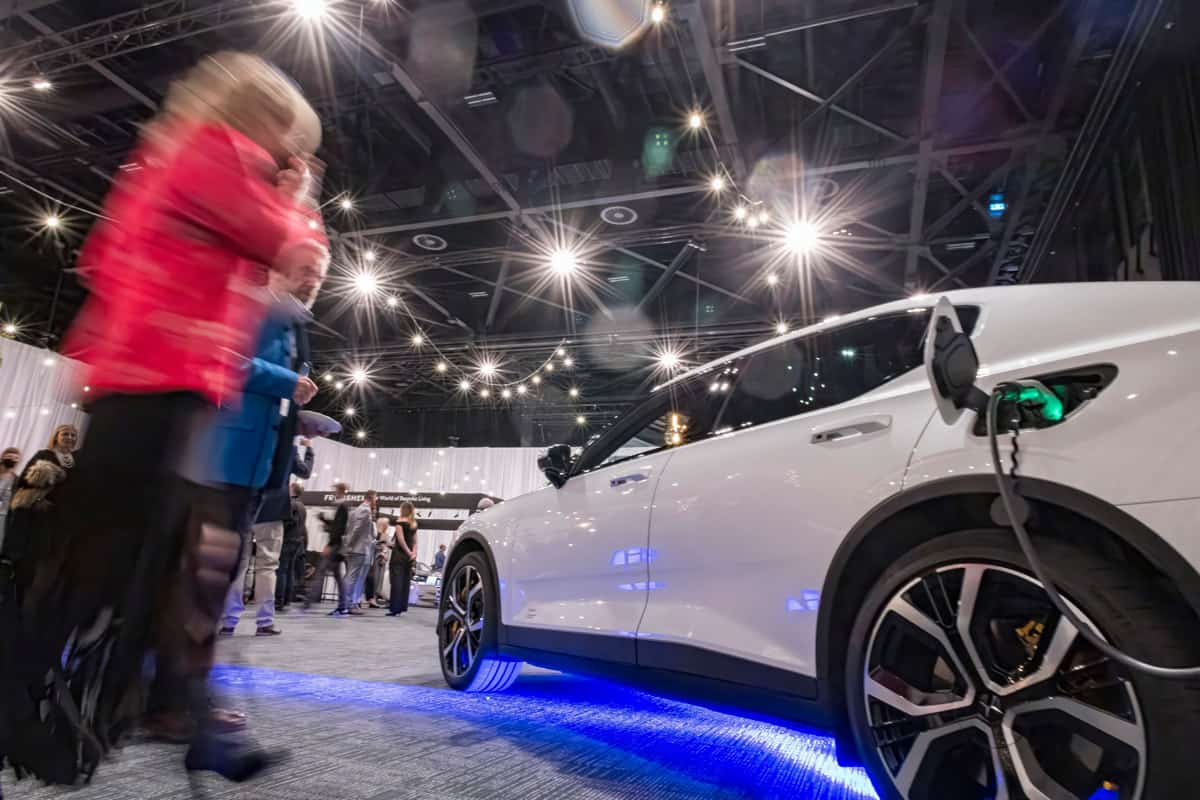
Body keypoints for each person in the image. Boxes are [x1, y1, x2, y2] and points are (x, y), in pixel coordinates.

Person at [0, 51, 327, 788]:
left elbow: (110, 262)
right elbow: (286, 244)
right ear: (260, 119)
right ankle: (50, 706)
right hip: (155, 385)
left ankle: (179, 709)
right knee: (127, 568)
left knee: (157, 563)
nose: (287, 153)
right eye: (286, 137)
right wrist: (296, 198)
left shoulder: (174, 160)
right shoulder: (216, 154)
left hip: (153, 385)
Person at [0, 425, 77, 588]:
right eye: (65, 434)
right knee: (26, 555)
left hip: (60, 516)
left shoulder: (76, 461)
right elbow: (24, 483)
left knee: (45, 560)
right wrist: (37, 500)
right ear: (56, 436)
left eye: (73, 435)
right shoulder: (44, 455)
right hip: (35, 512)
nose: (70, 437)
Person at [306, 482, 350, 610]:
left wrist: (330, 545)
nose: (334, 492)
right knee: (337, 576)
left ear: (340, 490)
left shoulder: (342, 506)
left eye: (335, 490)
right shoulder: (341, 506)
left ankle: (308, 603)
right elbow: (337, 526)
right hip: (336, 545)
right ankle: (343, 605)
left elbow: (339, 528)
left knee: (320, 571)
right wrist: (323, 519)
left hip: (335, 545)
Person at [340, 491, 376, 616]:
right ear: (371, 498)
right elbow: (356, 530)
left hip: (355, 548)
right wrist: (349, 545)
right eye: (376, 498)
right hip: (357, 549)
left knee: (350, 577)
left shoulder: (356, 510)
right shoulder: (365, 510)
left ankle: (346, 603)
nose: (376, 501)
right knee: (352, 577)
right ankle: (347, 604)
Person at [276, 481, 308, 612]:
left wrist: (279, 526)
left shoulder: (291, 504)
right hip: (297, 541)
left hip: (288, 539)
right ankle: (287, 598)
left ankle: (279, 600)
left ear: (293, 489)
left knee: (282, 570)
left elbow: (289, 521)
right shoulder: (302, 506)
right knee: (289, 570)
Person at [388, 502, 418, 617]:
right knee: (405, 581)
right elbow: (415, 542)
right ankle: (401, 607)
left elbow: (400, 540)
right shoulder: (414, 523)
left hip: (399, 554)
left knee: (397, 581)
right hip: (409, 557)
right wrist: (413, 553)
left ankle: (394, 608)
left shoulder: (399, 522)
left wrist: (407, 551)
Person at [0, 447, 20, 553]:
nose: (12, 459)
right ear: (2, 457)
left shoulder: (17, 480)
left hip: (2, 517)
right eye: (9, 456)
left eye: (15, 458)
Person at [368, 516, 391, 607]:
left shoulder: (384, 534)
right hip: (377, 559)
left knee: (379, 580)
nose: (388, 525)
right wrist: (382, 552)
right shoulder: (377, 534)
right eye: (387, 524)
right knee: (375, 579)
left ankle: (374, 598)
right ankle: (372, 598)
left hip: (382, 559)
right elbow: (379, 546)